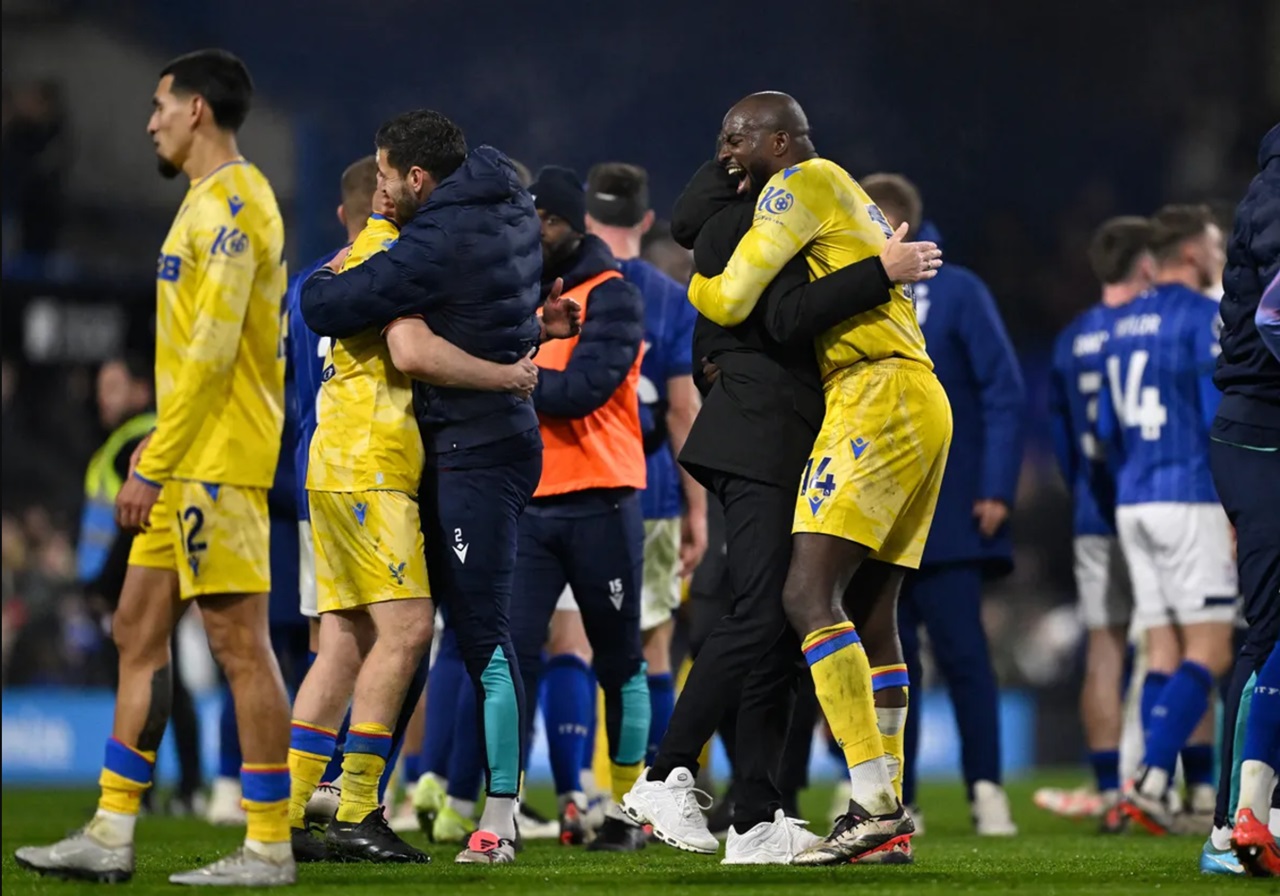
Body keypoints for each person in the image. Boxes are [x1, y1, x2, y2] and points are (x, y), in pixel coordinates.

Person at [627, 92, 951, 866]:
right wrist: (878, 267)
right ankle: (726, 795)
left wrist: (695, 295)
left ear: (775, 142)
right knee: (836, 611)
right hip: (871, 405)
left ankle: (816, 809)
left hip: (866, 398)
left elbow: (742, 297)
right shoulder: (820, 199)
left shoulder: (797, 189)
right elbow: (759, 299)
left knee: (798, 605)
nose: (728, 156)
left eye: (738, 142)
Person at [16, 49, 297, 886]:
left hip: (217, 466)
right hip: (182, 460)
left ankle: (269, 845)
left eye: (159, 105)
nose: (150, 120)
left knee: (238, 646)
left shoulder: (236, 205)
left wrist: (156, 459)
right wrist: (155, 447)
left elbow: (212, 355)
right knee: (136, 631)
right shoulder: (202, 204)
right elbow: (190, 359)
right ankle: (110, 831)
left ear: (198, 110)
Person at [300, 110, 579, 866]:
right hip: (471, 446)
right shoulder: (511, 198)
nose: (381, 191)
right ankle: (352, 806)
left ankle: (499, 818)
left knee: (483, 637)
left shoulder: (435, 240)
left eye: (387, 176)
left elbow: (331, 309)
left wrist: (330, 270)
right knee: (413, 635)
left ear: (418, 177)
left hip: (475, 451)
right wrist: (525, 333)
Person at [861, 173, 1025, 836]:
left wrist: (995, 485)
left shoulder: (958, 290)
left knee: (962, 653)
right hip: (878, 509)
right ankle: (904, 798)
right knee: (894, 657)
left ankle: (986, 791)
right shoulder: (855, 292)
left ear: (894, 225)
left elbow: (1003, 390)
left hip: (952, 508)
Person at [507, 165, 650, 852]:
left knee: (622, 660)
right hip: (529, 501)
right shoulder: (516, 298)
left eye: (549, 221)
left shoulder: (616, 294)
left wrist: (507, 373)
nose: (537, 233)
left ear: (573, 224)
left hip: (602, 496)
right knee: (512, 658)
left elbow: (586, 390)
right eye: (530, 219)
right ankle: (500, 811)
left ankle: (628, 809)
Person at [1102, 205, 1235, 835]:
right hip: (1190, 494)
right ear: (1191, 254)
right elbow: (1219, 417)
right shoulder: (1204, 318)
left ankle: (1181, 788)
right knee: (1211, 649)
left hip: (1135, 498)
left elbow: (1104, 432)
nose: (1221, 252)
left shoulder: (1120, 324)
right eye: (1215, 244)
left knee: (1165, 652)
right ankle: (1153, 782)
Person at [587, 161, 707, 772]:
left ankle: (577, 790)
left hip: (571, 489)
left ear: (586, 217)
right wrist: (698, 508)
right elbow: (684, 413)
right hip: (652, 489)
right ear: (649, 219)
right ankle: (651, 791)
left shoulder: (563, 287)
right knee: (652, 642)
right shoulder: (670, 300)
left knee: (574, 643)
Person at [1045, 217, 1154, 831]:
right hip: (1158, 497)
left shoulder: (1071, 339)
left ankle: (1112, 788)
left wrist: (1086, 488)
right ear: (1146, 265)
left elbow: (1064, 444)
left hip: (1093, 511)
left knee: (1105, 649)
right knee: (1177, 642)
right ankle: (1175, 785)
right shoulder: (1150, 329)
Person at [78, 356, 205, 819]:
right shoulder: (122, 440)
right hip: (136, 572)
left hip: (139, 572)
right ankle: (176, 787)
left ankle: (154, 790)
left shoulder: (139, 439)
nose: (101, 395)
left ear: (139, 391)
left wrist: (105, 587)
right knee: (162, 675)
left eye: (112, 385)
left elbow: (127, 521)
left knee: (148, 673)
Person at [1208, 122, 1280, 878]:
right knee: (1268, 626)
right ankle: (1231, 825)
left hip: (1256, 423)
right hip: (1260, 432)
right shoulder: (1278, 192)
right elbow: (1275, 315)